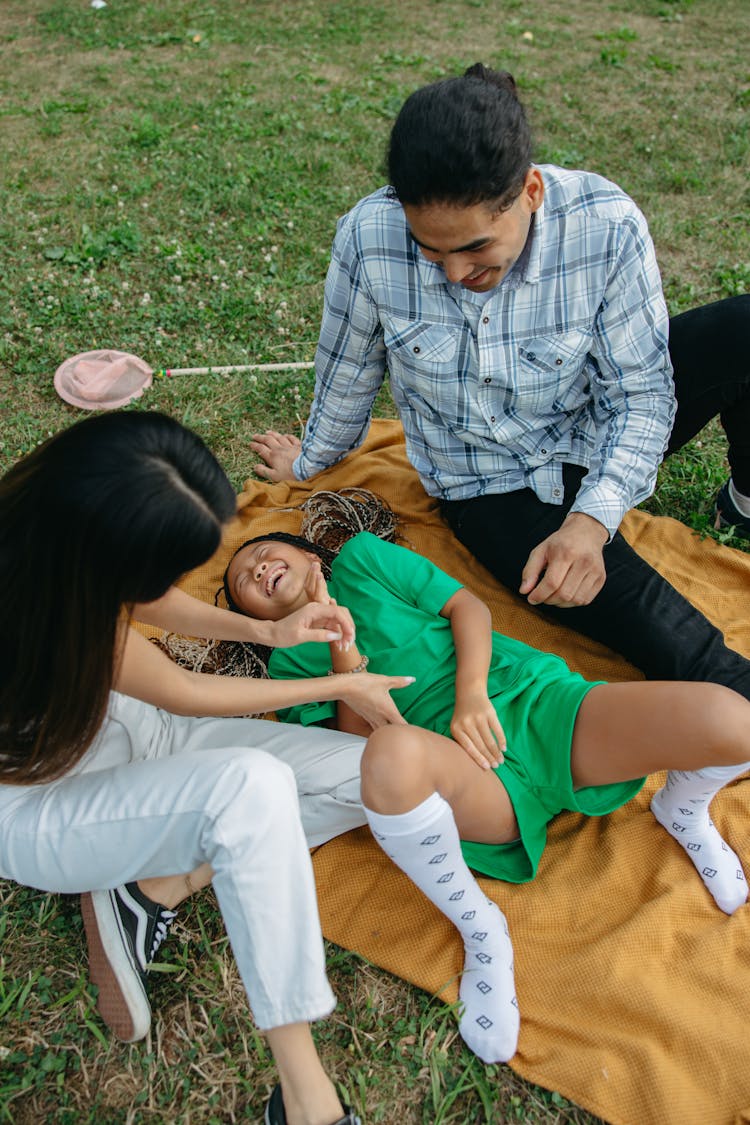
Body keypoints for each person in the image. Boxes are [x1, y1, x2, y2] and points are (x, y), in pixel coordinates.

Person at [250, 63, 750, 704]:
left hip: (593, 422)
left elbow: (642, 395)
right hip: (489, 484)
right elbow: (347, 373)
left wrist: (593, 521)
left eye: (477, 248)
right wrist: (310, 459)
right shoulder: (366, 239)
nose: (455, 272)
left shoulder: (607, 224)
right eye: (432, 251)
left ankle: (742, 501)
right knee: (675, 641)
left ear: (531, 191)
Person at [0, 413, 419, 1125]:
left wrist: (266, 630)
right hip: (40, 806)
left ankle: (154, 886)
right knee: (250, 788)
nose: (164, 588)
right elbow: (184, 689)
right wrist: (336, 685)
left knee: (375, 769)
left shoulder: (67, 543)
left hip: (133, 732)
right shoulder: (20, 595)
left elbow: (145, 614)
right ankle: (306, 1099)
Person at [222, 526, 750, 1065]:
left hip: (527, 702)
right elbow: (361, 762)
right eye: (245, 580)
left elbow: (466, 607)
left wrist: (471, 694)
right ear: (259, 624)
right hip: (460, 779)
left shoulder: (361, 559)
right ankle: (482, 929)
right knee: (393, 755)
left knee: (733, 718)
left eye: (265, 554)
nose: (259, 569)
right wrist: (342, 648)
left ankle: (681, 809)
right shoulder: (289, 667)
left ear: (310, 555)